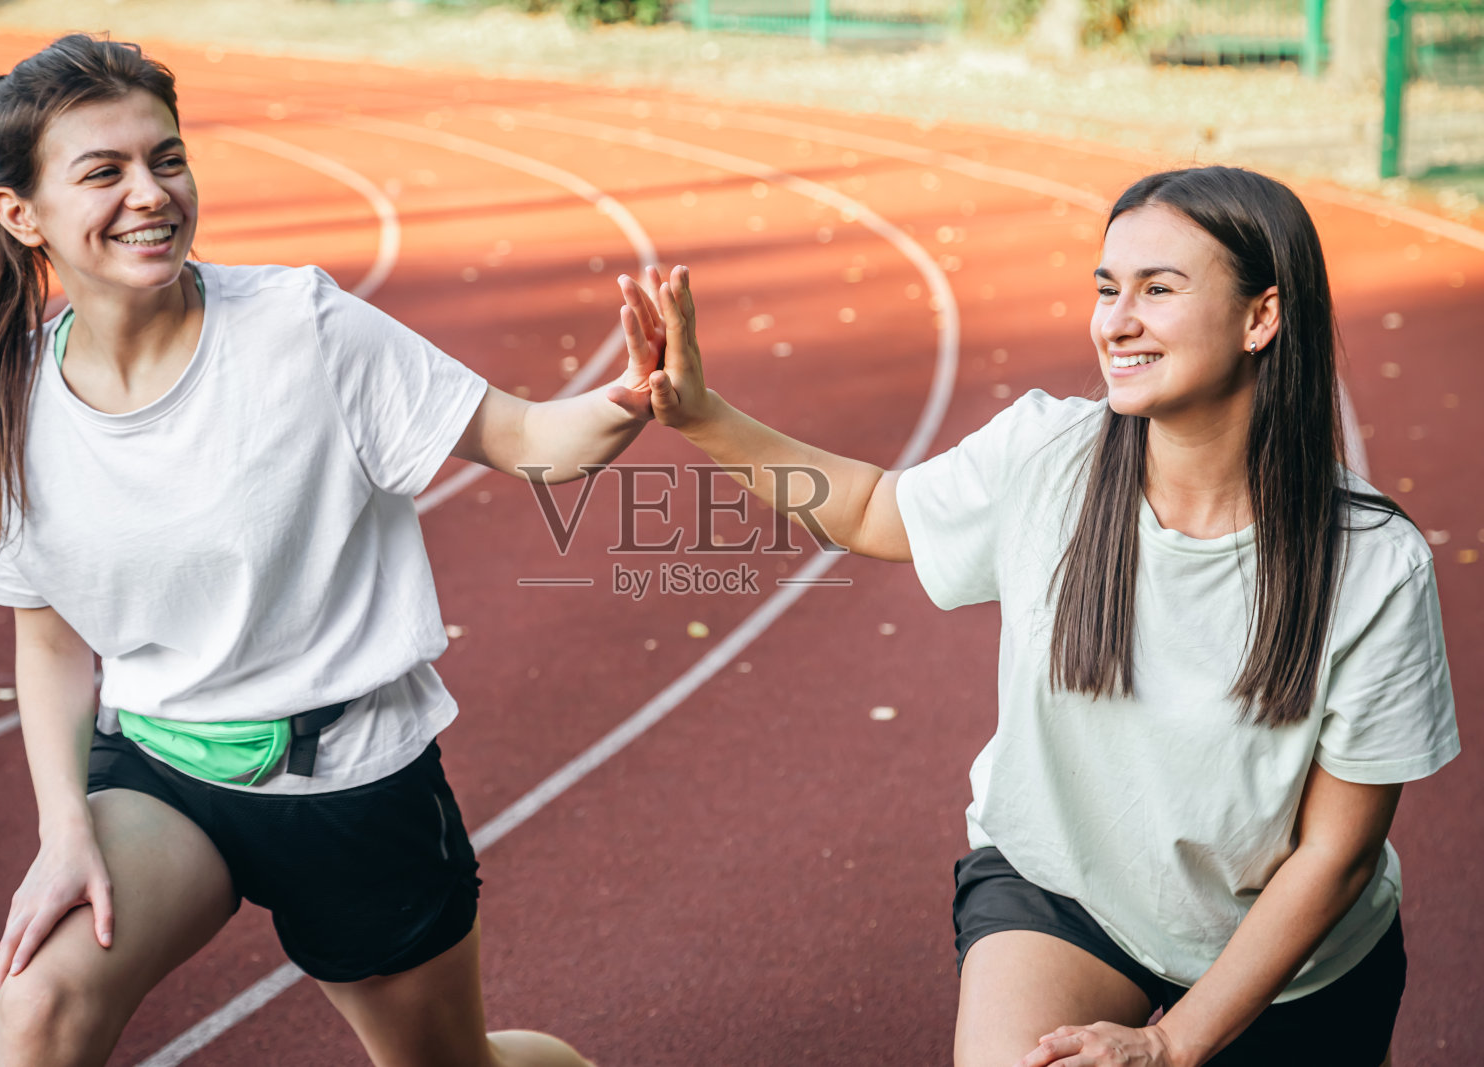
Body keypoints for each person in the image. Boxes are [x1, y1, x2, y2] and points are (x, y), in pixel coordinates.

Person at [619, 166, 1459, 1067]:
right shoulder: (1046, 455)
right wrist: (702, 416)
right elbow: (873, 509)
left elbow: (1335, 855)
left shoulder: (1373, 564)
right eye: (1107, 290)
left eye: (1158, 289)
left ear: (1261, 317)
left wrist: (1171, 1044)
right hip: (1065, 890)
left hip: (1292, 965)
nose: (1116, 321)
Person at [0, 34, 658, 1067]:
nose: (150, 194)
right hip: (163, 768)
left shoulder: (300, 328)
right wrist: (65, 827)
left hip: (353, 780)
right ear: (22, 214)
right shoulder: (2, 399)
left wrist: (635, 396)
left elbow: (523, 438)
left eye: (167, 158)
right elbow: (49, 636)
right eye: (103, 171)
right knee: (39, 1009)